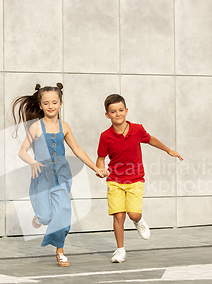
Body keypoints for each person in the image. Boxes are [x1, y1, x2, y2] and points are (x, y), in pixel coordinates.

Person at [12, 83, 109, 267]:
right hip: (41, 177)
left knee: (63, 213)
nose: (50, 106)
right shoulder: (35, 127)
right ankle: (39, 218)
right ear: (40, 105)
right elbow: (22, 152)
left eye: (54, 102)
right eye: (46, 103)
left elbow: (77, 150)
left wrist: (96, 169)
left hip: (62, 177)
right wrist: (32, 162)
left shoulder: (64, 126)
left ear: (60, 104)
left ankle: (60, 251)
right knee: (47, 217)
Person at [96, 94, 184, 263]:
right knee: (118, 216)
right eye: (113, 112)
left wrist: (168, 150)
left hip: (135, 179)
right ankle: (120, 250)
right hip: (114, 180)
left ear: (126, 111)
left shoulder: (137, 130)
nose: (118, 114)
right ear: (107, 115)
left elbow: (150, 139)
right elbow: (100, 158)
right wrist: (100, 170)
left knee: (133, 214)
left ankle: (139, 221)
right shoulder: (105, 136)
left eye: (121, 110)